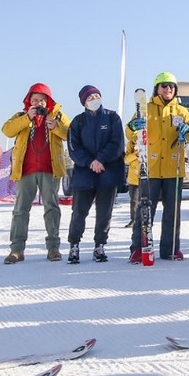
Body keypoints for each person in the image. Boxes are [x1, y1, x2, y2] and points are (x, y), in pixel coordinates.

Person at [126, 73, 189, 262]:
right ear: (157, 88)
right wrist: (133, 126)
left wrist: (187, 131)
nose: (168, 90)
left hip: (173, 168)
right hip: (151, 168)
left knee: (172, 212)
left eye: (172, 86)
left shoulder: (182, 111)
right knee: (145, 211)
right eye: (164, 86)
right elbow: (130, 133)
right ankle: (139, 248)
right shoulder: (146, 109)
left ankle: (171, 248)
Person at [0, 84, 71, 264]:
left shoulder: (58, 116)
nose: (39, 103)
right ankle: (17, 250)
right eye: (35, 100)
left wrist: (56, 127)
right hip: (25, 170)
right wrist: (27, 119)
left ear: (48, 101)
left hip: (50, 169)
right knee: (20, 210)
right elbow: (7, 130)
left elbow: (70, 134)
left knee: (52, 208)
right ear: (29, 101)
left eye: (42, 100)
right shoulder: (21, 116)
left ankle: (53, 248)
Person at [66, 85, 126, 264]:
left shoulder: (112, 117)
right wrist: (90, 162)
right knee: (79, 212)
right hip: (85, 174)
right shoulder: (77, 122)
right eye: (90, 97)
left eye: (97, 95)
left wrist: (101, 159)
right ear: (84, 101)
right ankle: (74, 245)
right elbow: (73, 147)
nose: (94, 99)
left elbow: (117, 143)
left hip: (108, 172)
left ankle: (100, 245)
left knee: (104, 213)